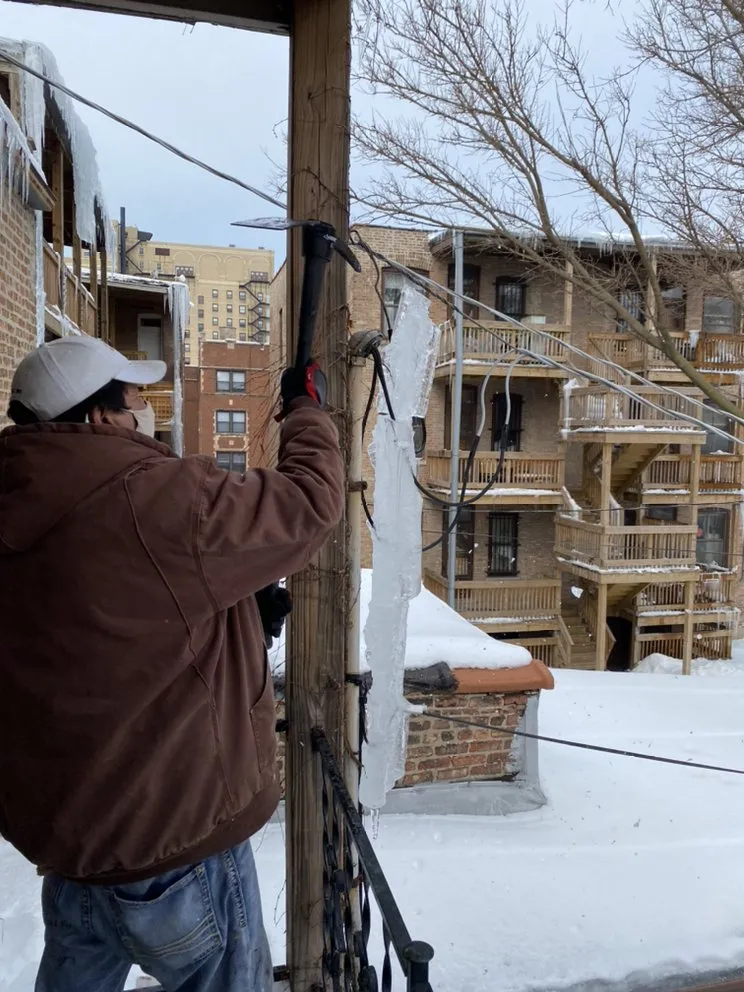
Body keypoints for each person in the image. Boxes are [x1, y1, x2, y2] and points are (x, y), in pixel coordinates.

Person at [0, 335, 344, 992]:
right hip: (177, 857)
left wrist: (239, 614)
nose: (140, 419)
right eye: (132, 405)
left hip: (73, 856)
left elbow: (103, 636)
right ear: (98, 418)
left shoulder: (17, 504)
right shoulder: (148, 497)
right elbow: (308, 506)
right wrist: (306, 412)